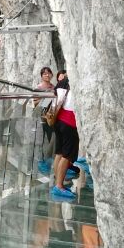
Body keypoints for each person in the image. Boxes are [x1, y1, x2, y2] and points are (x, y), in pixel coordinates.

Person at [50, 70, 79, 201]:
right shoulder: (74, 81)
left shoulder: (63, 82)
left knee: (60, 152)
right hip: (69, 122)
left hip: (59, 120)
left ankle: (58, 182)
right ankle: (59, 185)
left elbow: (57, 100)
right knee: (67, 155)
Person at [35, 65, 56, 170]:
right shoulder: (39, 87)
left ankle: (49, 159)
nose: (47, 75)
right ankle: (41, 160)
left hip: (51, 115)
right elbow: (35, 101)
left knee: (51, 136)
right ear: (41, 76)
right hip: (42, 115)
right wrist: (45, 98)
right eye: (44, 73)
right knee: (41, 138)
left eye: (48, 73)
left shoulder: (53, 87)